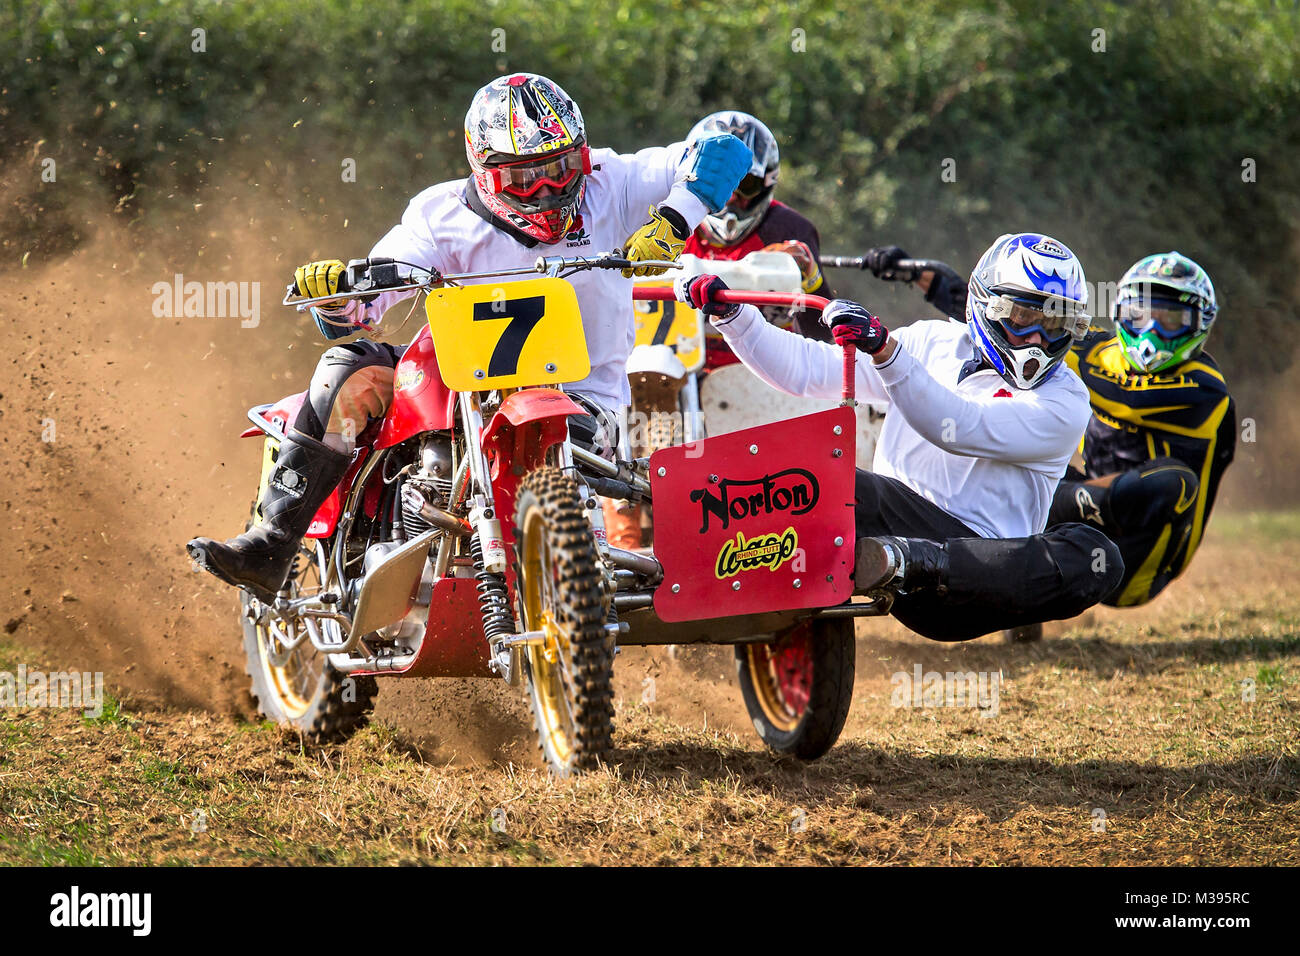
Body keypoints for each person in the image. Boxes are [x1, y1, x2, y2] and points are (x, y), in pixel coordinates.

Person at [187, 72, 750, 601]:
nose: (549, 188)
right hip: (462, 393)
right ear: (484, 171)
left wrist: (674, 221)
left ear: (582, 155)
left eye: (561, 168)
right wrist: (339, 296)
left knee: (608, 506)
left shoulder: (613, 180)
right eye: (525, 178)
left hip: (586, 407)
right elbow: (365, 305)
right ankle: (273, 542)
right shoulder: (439, 214)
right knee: (348, 366)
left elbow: (726, 149)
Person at [675, 232, 1124, 642]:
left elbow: (959, 426)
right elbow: (807, 371)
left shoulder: (1067, 400)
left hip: (984, 578)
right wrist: (733, 317)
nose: (1040, 340)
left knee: (1099, 555)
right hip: (897, 542)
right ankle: (699, 566)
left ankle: (913, 561)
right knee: (821, 479)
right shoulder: (933, 341)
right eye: (1025, 316)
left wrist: (886, 352)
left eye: (1055, 323)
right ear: (987, 304)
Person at [1048, 251, 1234, 607]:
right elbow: (1020, 317)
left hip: (1138, 566)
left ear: (1199, 325)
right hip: (1086, 529)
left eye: (1170, 319)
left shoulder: (1208, 389)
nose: (1151, 330)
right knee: (1020, 451)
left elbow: (1129, 399)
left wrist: (1072, 355)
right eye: (1139, 315)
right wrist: (934, 283)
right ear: (1120, 312)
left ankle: (1049, 505)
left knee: (1172, 480)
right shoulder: (1098, 352)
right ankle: (1030, 581)